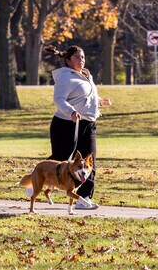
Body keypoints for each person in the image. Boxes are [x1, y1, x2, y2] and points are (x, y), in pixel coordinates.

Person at [44, 45, 112, 210]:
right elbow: (59, 100)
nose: (81, 60)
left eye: (82, 57)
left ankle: (84, 198)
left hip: (88, 123)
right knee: (60, 159)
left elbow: (86, 97)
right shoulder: (65, 77)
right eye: (77, 57)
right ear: (68, 60)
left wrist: (100, 101)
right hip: (66, 124)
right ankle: (35, 178)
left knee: (89, 161)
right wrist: (72, 112)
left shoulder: (86, 74)